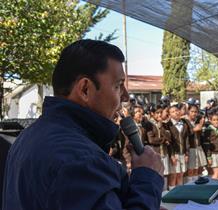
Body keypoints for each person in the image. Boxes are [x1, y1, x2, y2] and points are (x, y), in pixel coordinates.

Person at [2, 40, 164, 210]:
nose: (125, 97)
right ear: (85, 89)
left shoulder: (28, 136)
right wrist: (147, 179)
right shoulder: (82, 160)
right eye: (118, 86)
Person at [166, 105, 192, 189]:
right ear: (169, 114)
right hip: (174, 153)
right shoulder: (168, 125)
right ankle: (171, 195)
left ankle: (179, 194)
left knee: (181, 174)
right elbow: (168, 142)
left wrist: (186, 153)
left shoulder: (184, 124)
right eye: (173, 112)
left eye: (176, 110)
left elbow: (186, 140)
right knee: (173, 175)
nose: (176, 113)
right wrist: (172, 155)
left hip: (182, 153)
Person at [202, 113, 218, 180]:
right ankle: (211, 187)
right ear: (210, 120)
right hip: (213, 154)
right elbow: (207, 145)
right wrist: (209, 157)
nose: (216, 121)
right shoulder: (208, 130)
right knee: (217, 173)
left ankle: (216, 187)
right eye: (214, 120)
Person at [185, 104, 207, 182]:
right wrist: (194, 129)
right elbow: (184, 134)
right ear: (188, 111)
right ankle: (190, 188)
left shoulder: (197, 121)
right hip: (190, 148)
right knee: (191, 170)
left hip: (198, 146)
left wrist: (201, 125)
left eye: (196, 112)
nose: (194, 113)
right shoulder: (185, 121)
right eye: (192, 111)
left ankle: (195, 186)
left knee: (198, 169)